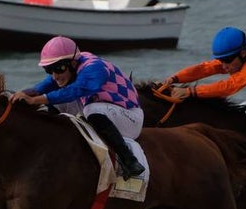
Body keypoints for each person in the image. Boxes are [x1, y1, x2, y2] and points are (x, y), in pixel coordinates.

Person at [10, 35, 146, 180]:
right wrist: (20, 95)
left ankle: (130, 161)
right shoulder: (70, 65)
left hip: (130, 118)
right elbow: (42, 87)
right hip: (108, 111)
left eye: (58, 69)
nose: (55, 75)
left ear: (73, 63)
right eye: (49, 70)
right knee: (54, 101)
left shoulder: (94, 67)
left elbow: (76, 91)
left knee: (91, 110)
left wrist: (34, 100)